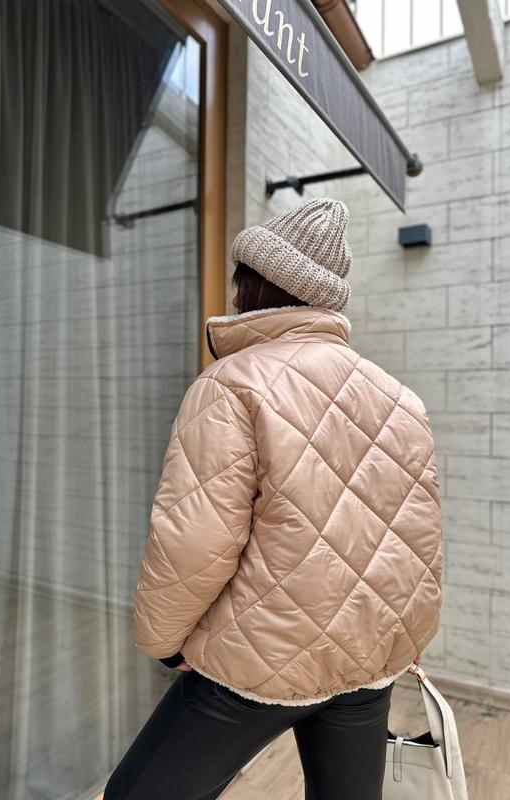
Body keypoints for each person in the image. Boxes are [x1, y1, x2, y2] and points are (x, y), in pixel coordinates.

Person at [104, 197, 442, 800]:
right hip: (369, 655)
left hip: (258, 657)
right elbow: (416, 535)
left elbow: (194, 540)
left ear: (256, 286)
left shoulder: (232, 385)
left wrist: (165, 642)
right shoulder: (400, 397)